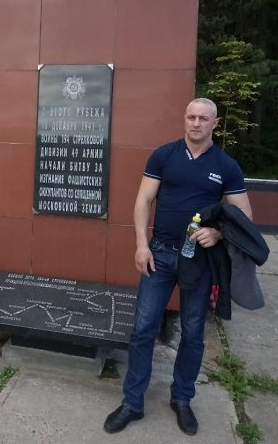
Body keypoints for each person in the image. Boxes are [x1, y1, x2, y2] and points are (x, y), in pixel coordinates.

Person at [104, 98, 252, 436]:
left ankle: (182, 399)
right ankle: (132, 402)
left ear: (215, 124)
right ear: (184, 119)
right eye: (191, 117)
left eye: (203, 118)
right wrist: (141, 245)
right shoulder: (164, 156)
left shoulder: (226, 166)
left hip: (198, 262)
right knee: (143, 329)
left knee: (193, 332)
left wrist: (218, 232)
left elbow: (244, 215)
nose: (196, 123)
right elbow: (143, 200)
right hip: (159, 255)